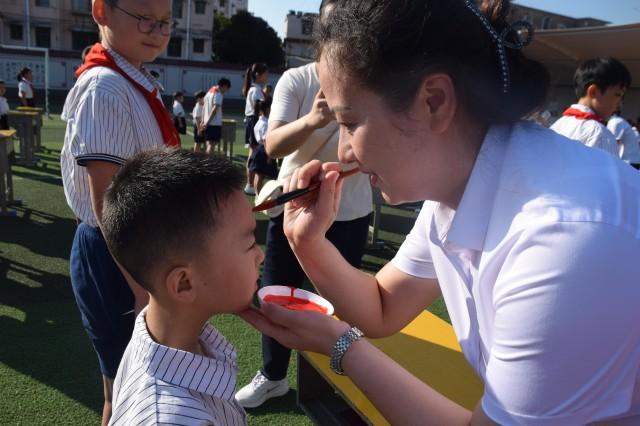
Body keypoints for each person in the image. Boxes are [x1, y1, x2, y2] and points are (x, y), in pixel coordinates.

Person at [240, 0, 640, 424]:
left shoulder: (562, 242)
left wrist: (342, 346)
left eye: (350, 122)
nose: (342, 152)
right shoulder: (459, 187)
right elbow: (383, 306)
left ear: (433, 101)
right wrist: (307, 241)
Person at [235, 1, 372, 408]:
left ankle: (332, 384)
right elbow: (272, 144)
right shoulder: (297, 79)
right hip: (293, 210)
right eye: (333, 29)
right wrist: (313, 120)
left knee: (343, 306)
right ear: (319, 34)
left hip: (349, 214)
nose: (341, 38)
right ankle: (274, 375)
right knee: (276, 295)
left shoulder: (373, 80)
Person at [59, 0, 179, 424]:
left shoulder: (135, 81)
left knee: (137, 380)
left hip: (138, 247)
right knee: (125, 388)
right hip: (118, 255)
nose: (156, 29)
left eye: (164, 21)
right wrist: (140, 286)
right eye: (143, 17)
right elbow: (105, 201)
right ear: (101, 11)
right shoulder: (106, 88)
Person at [102, 148, 260, 425]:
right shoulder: (170, 419)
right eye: (249, 244)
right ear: (184, 283)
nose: (261, 255)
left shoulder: (154, 332)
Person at [550, 57, 630, 156]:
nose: (619, 104)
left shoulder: (558, 124)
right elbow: (607, 171)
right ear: (593, 92)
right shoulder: (599, 133)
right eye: (618, 95)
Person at [242, 63, 268, 195]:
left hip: (251, 120)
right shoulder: (256, 90)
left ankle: (250, 184)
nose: (266, 76)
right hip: (254, 120)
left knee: (252, 153)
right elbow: (259, 107)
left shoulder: (254, 89)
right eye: (265, 73)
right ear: (258, 74)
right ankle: (250, 184)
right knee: (254, 153)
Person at [248, 99, 278, 193]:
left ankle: (258, 194)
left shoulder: (259, 121)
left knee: (259, 175)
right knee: (261, 176)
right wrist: (269, 156)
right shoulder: (265, 123)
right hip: (264, 150)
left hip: (259, 149)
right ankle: (259, 194)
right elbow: (266, 140)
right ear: (267, 109)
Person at [202, 78, 231, 155]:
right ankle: (208, 163)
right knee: (212, 145)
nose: (226, 91)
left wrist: (203, 121)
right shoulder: (218, 94)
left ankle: (207, 162)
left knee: (209, 144)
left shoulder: (209, 92)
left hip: (207, 122)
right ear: (224, 86)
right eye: (227, 88)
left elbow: (204, 107)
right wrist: (207, 122)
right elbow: (214, 109)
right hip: (214, 123)